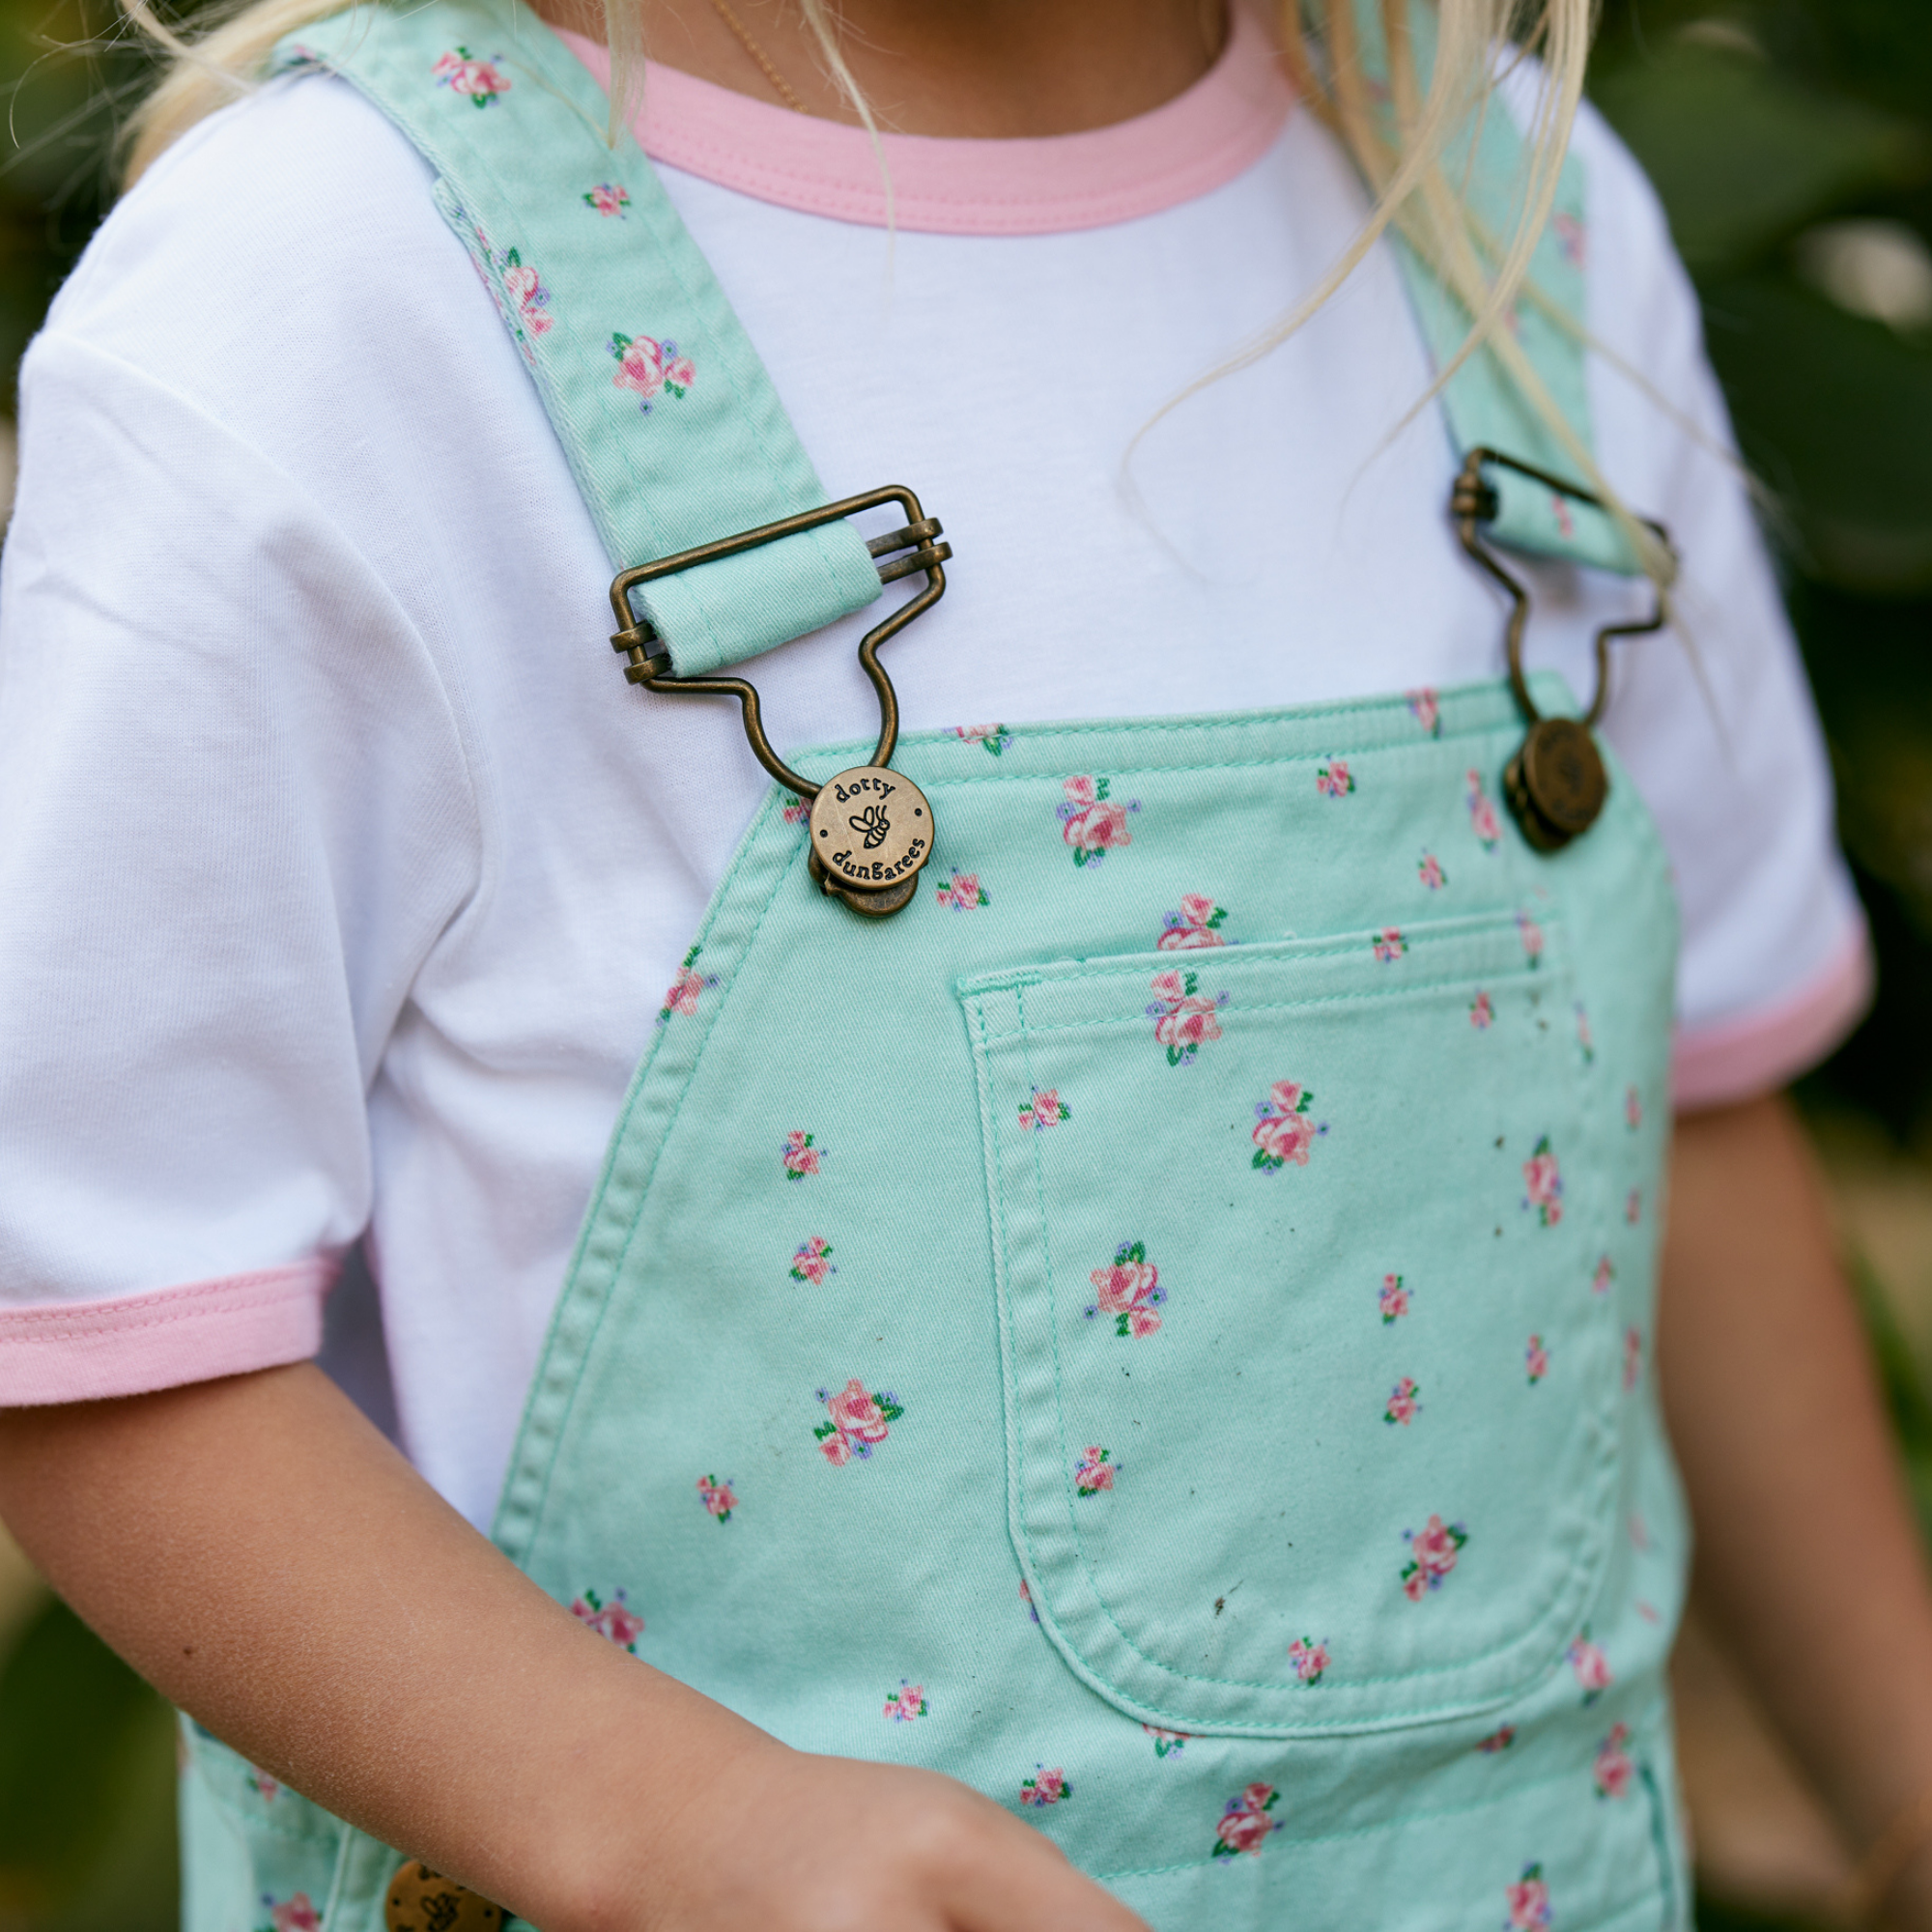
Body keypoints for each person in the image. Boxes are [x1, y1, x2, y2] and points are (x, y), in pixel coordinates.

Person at [0, 2, 1922, 1929]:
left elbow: (1680, 1117)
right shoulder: (334, 289)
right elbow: (94, 1315)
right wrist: (647, 1813)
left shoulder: (1514, 217)